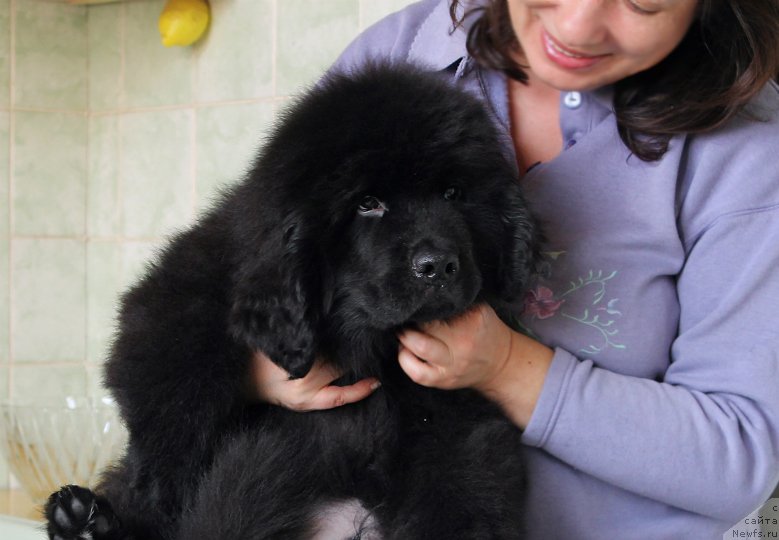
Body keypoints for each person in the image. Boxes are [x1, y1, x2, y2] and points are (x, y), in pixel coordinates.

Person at [246, 0, 779, 537]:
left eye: (640, 2)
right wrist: (254, 370)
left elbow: (740, 462)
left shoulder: (746, 149)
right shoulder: (402, 50)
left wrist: (507, 368)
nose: (576, 26)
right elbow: (263, 256)